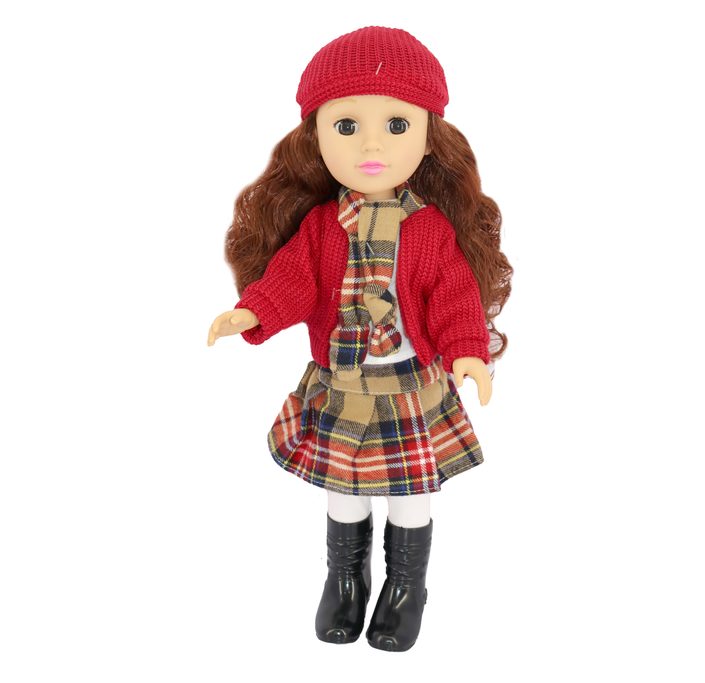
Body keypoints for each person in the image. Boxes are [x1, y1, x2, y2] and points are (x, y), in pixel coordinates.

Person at [207, 26, 512, 652]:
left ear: (429, 135)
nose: (372, 145)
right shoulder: (322, 227)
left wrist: (467, 351)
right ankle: (344, 581)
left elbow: (453, 294)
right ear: (315, 136)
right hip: (343, 382)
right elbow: (293, 280)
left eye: (397, 125)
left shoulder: (430, 230)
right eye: (346, 126)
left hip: (410, 385)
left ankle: (405, 588)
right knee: (342, 491)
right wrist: (253, 310)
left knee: (412, 496)